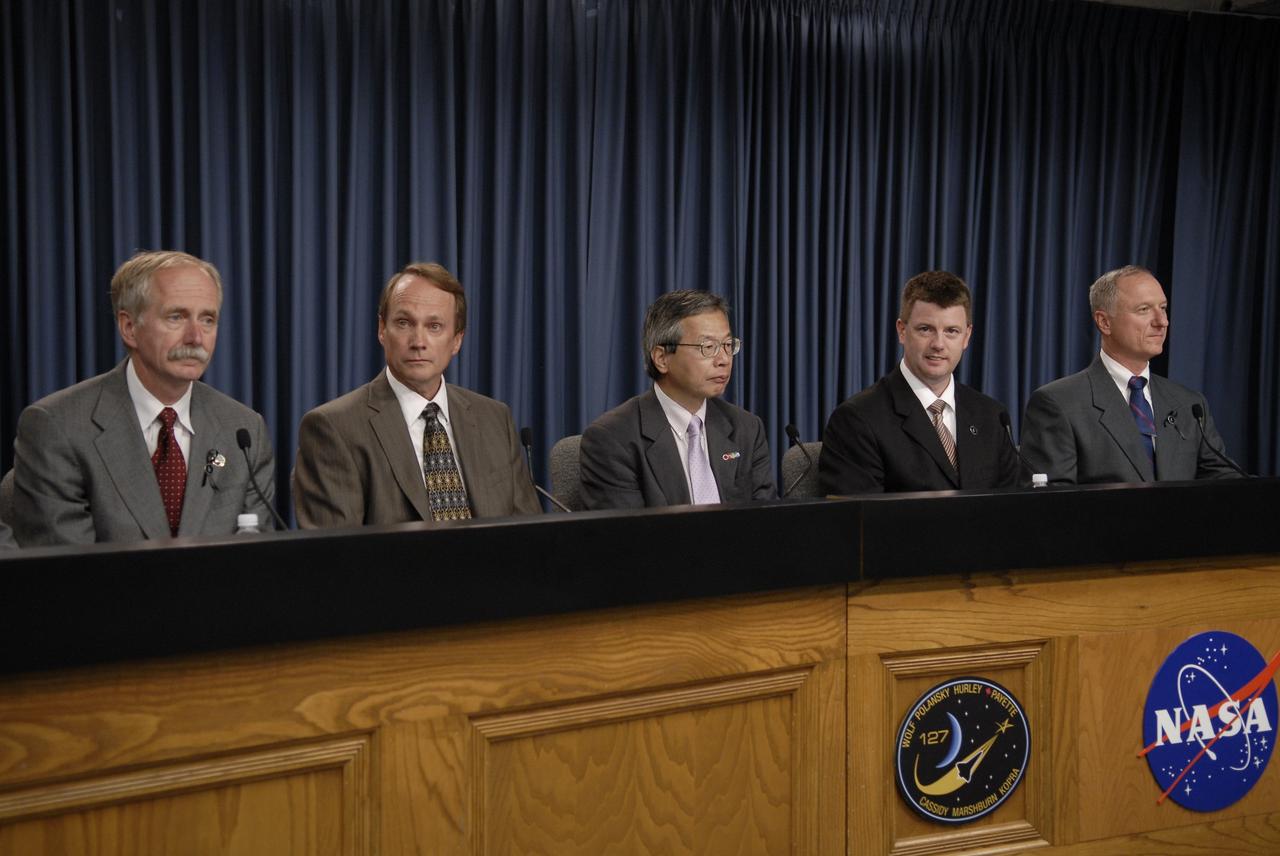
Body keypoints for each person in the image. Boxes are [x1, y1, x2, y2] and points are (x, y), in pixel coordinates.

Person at [11, 251, 276, 545]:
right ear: (129, 328)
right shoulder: (59, 427)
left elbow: (254, 561)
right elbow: (66, 572)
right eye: (176, 317)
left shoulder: (243, 430)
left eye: (208, 319)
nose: (196, 338)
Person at [293, 262, 539, 527]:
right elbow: (336, 557)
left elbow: (529, 537)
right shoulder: (334, 428)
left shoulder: (494, 418)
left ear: (456, 340)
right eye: (404, 323)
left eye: (434, 326)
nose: (418, 341)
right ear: (382, 330)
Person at [1021, 265, 1242, 484]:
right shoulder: (1060, 403)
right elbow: (1051, 504)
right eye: (1144, 309)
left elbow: (1223, 481)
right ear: (1104, 322)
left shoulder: (1189, 404)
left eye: (1163, 308)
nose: (1162, 322)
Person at [819, 271, 1019, 494]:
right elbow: (861, 522)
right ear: (902, 331)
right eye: (926, 329)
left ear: (967, 337)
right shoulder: (858, 420)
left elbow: (1011, 512)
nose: (938, 344)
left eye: (951, 331)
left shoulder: (992, 417)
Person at [579, 290, 774, 508]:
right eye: (708, 347)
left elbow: (766, 523)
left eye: (728, 345)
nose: (724, 359)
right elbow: (626, 538)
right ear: (662, 358)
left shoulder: (746, 428)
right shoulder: (613, 439)